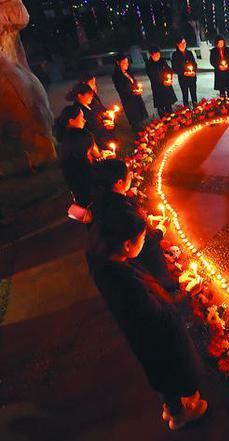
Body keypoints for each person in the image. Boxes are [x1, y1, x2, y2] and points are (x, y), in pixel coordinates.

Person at [87, 210, 207, 431]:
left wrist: (172, 288)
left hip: (141, 338)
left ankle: (171, 409)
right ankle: (183, 413)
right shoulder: (126, 283)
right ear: (126, 244)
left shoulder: (107, 263)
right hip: (159, 340)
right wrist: (186, 294)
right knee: (175, 372)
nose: (144, 242)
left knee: (162, 376)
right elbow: (159, 317)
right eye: (142, 238)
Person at [91, 158, 178, 293]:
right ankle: (169, 289)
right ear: (119, 182)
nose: (131, 177)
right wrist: (161, 229)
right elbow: (145, 243)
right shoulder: (120, 210)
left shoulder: (103, 200)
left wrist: (146, 219)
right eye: (129, 176)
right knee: (164, 288)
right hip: (146, 264)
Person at [54, 105, 106, 207]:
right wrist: (102, 159)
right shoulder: (82, 138)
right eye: (81, 117)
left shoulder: (65, 141)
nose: (84, 120)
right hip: (92, 196)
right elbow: (97, 159)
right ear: (71, 121)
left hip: (79, 195)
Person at [111, 54, 148, 131]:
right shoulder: (117, 76)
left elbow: (134, 81)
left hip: (136, 96)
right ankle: (137, 132)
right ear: (118, 63)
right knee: (134, 117)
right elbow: (121, 89)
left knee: (140, 115)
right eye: (124, 63)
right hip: (129, 99)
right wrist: (133, 91)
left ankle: (142, 129)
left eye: (127, 62)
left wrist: (138, 88)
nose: (127, 64)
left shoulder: (128, 72)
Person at [146, 46, 178, 117]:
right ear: (151, 55)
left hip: (167, 86)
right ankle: (163, 120)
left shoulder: (162, 61)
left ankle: (171, 119)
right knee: (160, 106)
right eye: (156, 55)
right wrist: (162, 82)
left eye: (159, 54)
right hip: (158, 88)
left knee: (168, 104)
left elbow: (169, 70)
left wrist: (170, 78)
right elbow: (152, 77)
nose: (158, 56)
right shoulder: (149, 64)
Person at [171, 36, 198, 108]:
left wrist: (194, 71)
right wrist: (183, 73)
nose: (183, 45)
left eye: (184, 43)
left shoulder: (189, 53)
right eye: (182, 43)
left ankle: (196, 108)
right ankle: (186, 109)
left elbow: (194, 64)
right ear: (177, 44)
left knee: (194, 94)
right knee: (185, 94)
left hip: (192, 77)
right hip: (183, 78)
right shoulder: (175, 55)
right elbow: (175, 68)